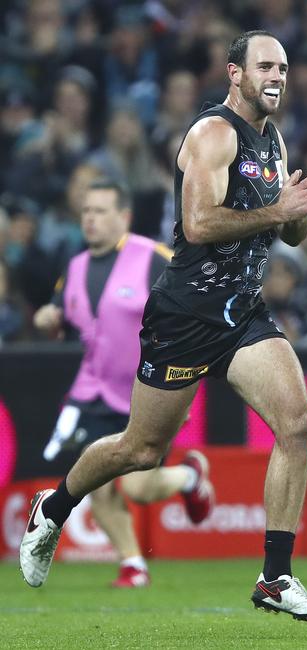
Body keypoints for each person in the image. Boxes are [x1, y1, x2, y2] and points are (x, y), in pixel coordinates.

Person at [20, 30, 307, 623]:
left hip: (241, 313)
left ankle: (275, 576)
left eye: (285, 67)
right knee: (141, 450)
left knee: (298, 424)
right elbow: (197, 224)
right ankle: (55, 507)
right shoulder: (213, 132)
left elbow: (286, 232)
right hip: (185, 316)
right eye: (266, 65)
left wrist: (297, 213)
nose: (278, 76)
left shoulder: (273, 141)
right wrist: (278, 210)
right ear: (234, 73)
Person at [32, 179, 215, 587]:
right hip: (93, 393)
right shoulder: (76, 266)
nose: (90, 220)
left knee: (138, 486)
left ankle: (190, 477)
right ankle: (133, 564)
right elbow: (62, 314)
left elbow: (193, 307)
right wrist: (48, 317)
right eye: (85, 211)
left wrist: (186, 383)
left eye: (100, 211)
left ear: (124, 216)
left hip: (146, 390)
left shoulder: (153, 259)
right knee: (96, 484)